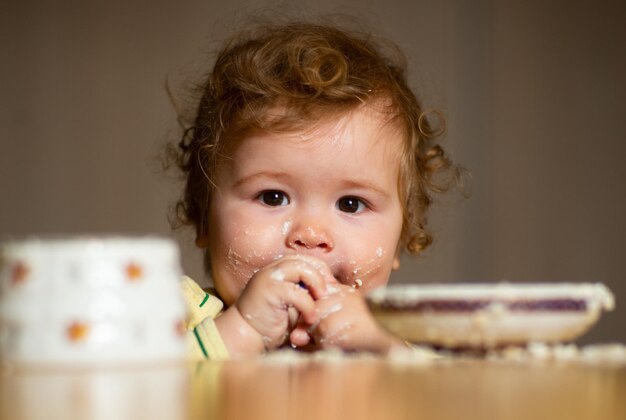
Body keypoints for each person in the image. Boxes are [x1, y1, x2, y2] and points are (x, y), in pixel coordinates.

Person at [168, 19, 459, 360]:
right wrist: (244, 328)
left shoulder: (394, 341)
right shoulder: (173, 317)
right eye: (272, 197)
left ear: (403, 230)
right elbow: (134, 394)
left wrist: (384, 349)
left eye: (351, 204)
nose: (310, 234)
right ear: (204, 216)